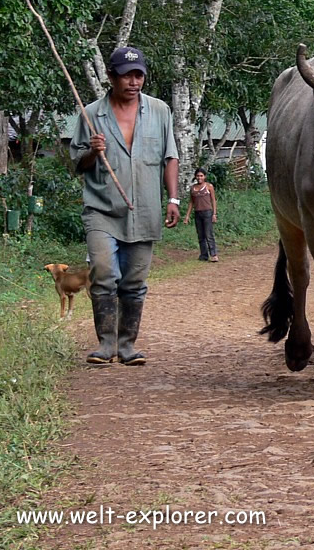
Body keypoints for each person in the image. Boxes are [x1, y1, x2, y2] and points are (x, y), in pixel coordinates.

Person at [70, 46, 179, 365]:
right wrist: (92, 151)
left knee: (134, 282)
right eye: (126, 75)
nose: (134, 82)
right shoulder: (91, 114)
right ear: (110, 77)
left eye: (139, 75)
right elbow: (77, 163)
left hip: (144, 211)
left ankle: (127, 345)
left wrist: (172, 198)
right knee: (103, 274)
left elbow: (170, 157)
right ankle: (106, 344)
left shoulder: (160, 111)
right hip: (101, 210)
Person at [182, 167, 219, 262]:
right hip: (198, 213)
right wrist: (187, 216)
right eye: (198, 176)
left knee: (208, 234)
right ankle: (204, 255)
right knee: (200, 235)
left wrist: (214, 214)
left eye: (201, 176)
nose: (199, 178)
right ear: (195, 177)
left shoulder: (209, 186)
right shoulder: (193, 188)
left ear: (205, 177)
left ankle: (213, 254)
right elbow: (191, 202)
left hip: (207, 212)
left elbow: (213, 200)